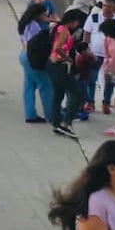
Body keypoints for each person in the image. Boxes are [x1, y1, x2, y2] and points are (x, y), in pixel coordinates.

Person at [48, 9, 89, 138]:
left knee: (57, 94)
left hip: (52, 64)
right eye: (76, 22)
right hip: (61, 65)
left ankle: (56, 123)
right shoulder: (64, 30)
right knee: (77, 94)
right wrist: (68, 58)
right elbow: (58, 47)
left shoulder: (55, 27)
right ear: (72, 21)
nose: (77, 24)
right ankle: (66, 123)